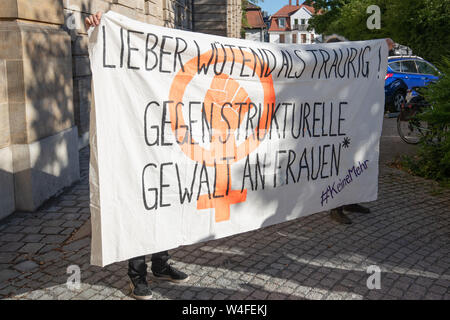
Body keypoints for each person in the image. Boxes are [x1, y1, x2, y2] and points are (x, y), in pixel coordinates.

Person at [85, 11, 189, 301]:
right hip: (134, 149)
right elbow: (108, 69)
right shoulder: (129, 67)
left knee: (167, 207)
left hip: (169, 148)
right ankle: (137, 277)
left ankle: (160, 264)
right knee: (138, 210)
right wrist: (98, 28)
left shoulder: (171, 66)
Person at [325, 36, 394, 225]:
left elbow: (368, 60)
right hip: (333, 128)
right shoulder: (324, 72)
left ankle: (350, 201)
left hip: (352, 125)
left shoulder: (350, 68)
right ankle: (335, 207)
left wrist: (382, 46)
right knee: (337, 167)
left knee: (353, 163)